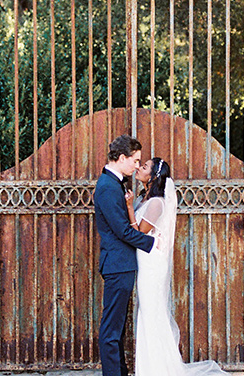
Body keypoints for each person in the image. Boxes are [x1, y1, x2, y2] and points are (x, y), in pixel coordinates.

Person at [126, 157, 226, 376]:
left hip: (152, 265)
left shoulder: (156, 203)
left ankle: (156, 369)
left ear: (152, 177)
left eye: (143, 167)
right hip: (145, 262)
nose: (139, 169)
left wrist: (128, 208)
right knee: (147, 312)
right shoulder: (145, 199)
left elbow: (138, 233)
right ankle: (150, 366)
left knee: (151, 313)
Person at [94, 135, 156, 376]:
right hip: (117, 265)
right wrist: (151, 243)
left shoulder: (115, 183)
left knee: (117, 329)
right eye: (135, 160)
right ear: (122, 158)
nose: (137, 166)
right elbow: (121, 230)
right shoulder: (108, 187)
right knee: (111, 330)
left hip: (122, 264)